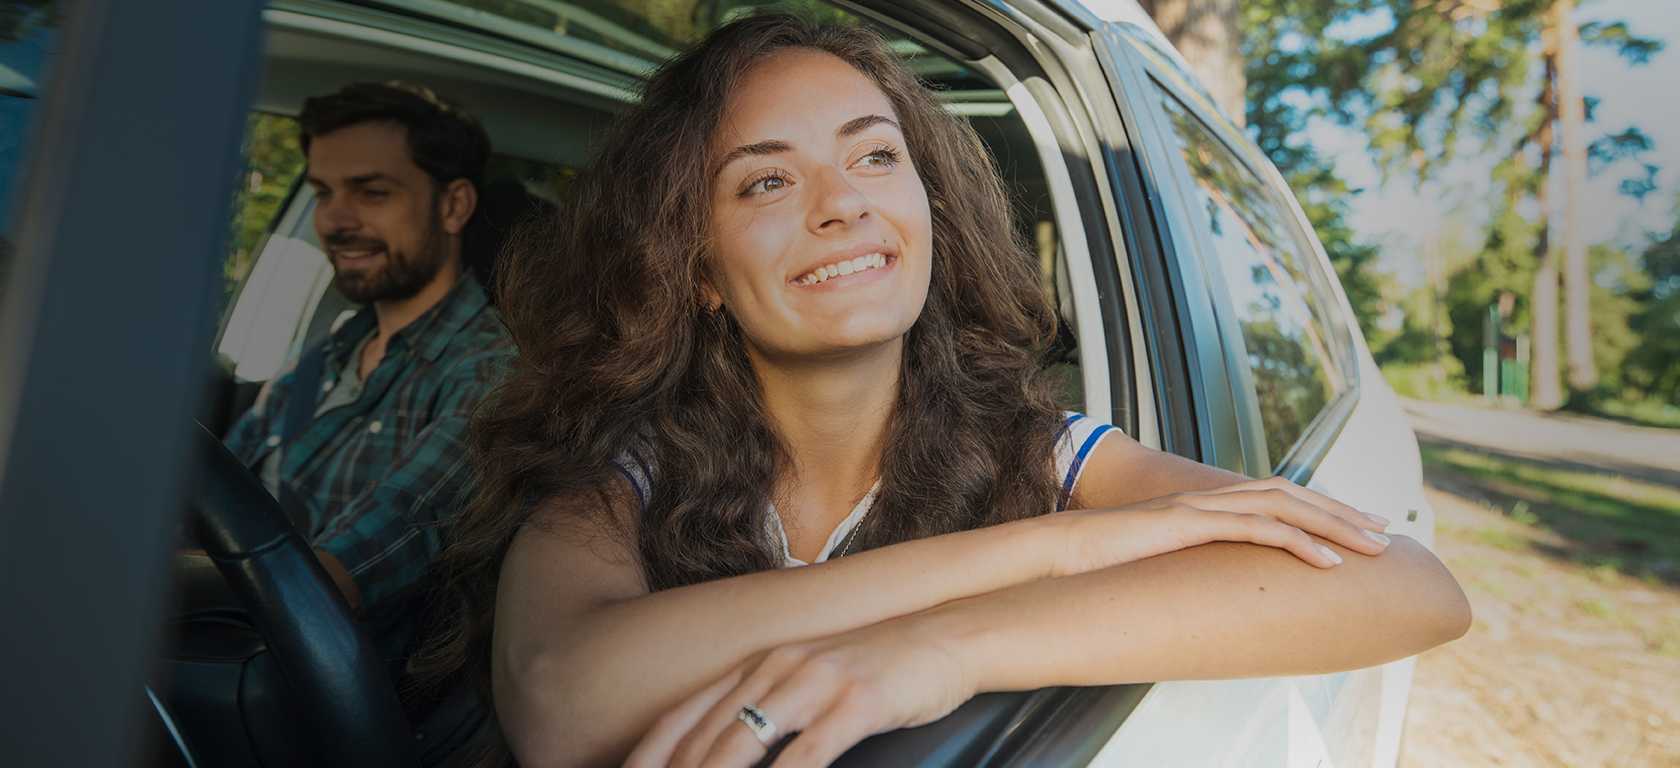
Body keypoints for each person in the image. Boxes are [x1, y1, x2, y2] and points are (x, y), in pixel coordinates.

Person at [413, 14, 1470, 768]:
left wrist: (937, 649)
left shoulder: (1048, 453)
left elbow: (1416, 588)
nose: (842, 207)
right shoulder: (619, 475)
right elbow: (560, 700)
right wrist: (1050, 551)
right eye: (767, 181)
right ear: (695, 270)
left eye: (875, 157)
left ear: (927, 207)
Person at [223, 81, 512, 673]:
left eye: (371, 192)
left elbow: (352, 565)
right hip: (222, 638)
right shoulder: (328, 352)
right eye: (323, 193)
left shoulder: (491, 374)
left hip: (296, 676)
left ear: (453, 206)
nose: (333, 220)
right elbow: (219, 484)